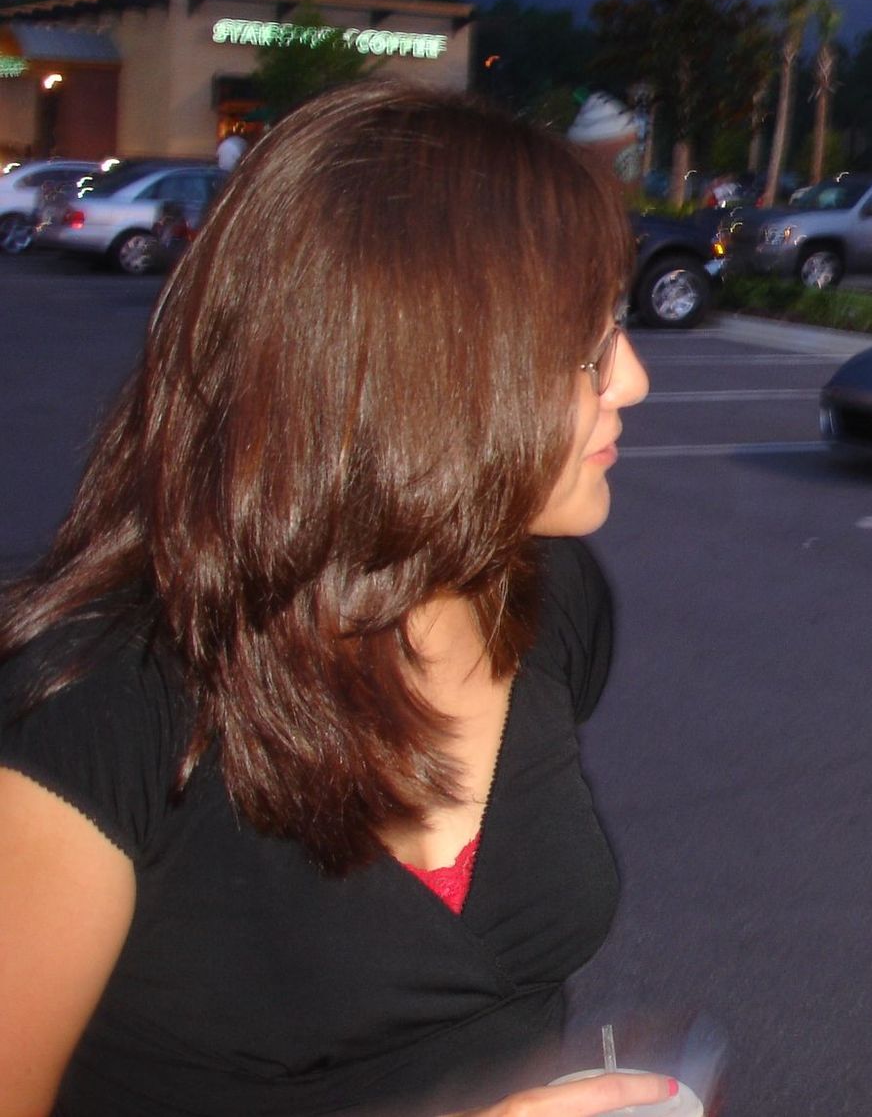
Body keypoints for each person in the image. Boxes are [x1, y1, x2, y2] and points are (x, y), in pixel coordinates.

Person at [0, 84, 672, 1117]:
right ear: (416, 376)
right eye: (586, 347)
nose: (632, 380)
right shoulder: (96, 710)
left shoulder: (549, 602)